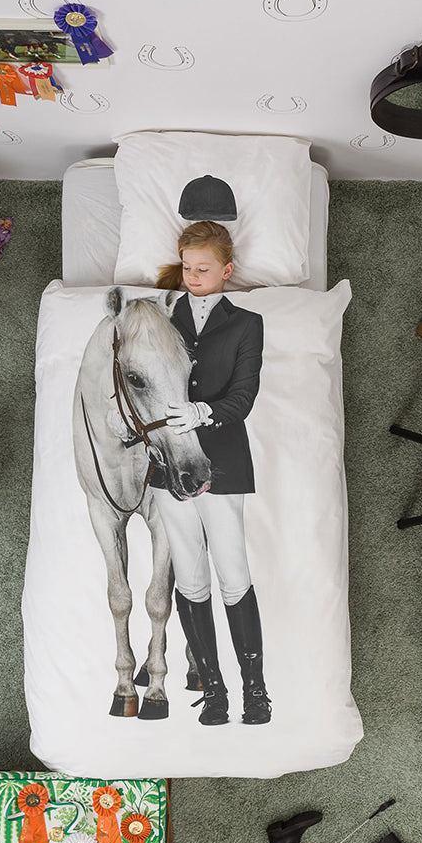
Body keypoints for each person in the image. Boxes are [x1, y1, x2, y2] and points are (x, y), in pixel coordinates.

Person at [152, 220, 271, 726]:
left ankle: (256, 691)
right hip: (168, 464)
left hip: (224, 460)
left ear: (227, 270)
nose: (193, 277)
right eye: (187, 268)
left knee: (233, 574)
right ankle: (214, 690)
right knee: (190, 577)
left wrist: (202, 412)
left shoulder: (247, 323)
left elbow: (243, 397)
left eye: (203, 269)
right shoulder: (161, 315)